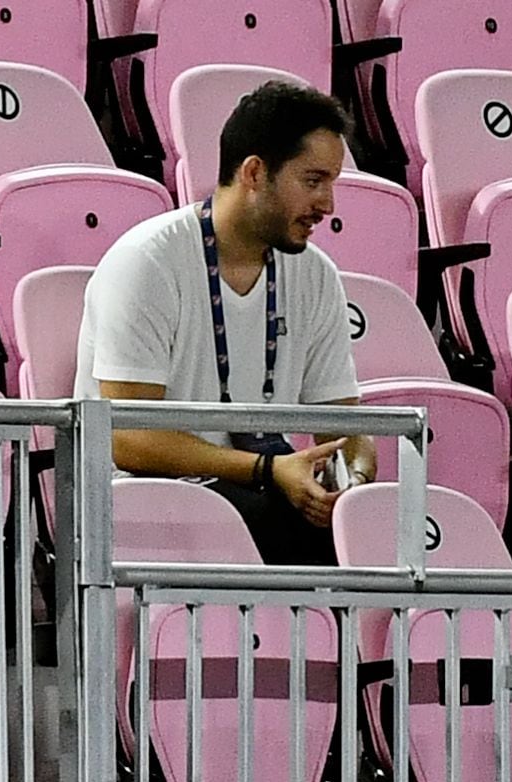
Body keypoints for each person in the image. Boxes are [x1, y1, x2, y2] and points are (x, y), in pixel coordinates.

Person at [73, 81, 377, 566]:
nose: (328, 205)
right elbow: (126, 437)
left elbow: (347, 429)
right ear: (255, 172)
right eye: (313, 181)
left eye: (331, 183)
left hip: (259, 487)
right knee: (278, 523)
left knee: (371, 530)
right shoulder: (147, 261)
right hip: (144, 497)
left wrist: (350, 486)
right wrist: (266, 469)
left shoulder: (315, 274)